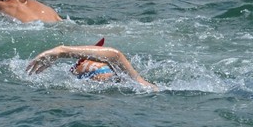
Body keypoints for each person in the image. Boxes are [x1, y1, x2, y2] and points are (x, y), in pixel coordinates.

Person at [25, 44, 157, 90]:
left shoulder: (138, 85)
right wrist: (62, 51)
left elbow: (115, 56)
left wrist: (62, 51)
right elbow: (115, 56)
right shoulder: (140, 85)